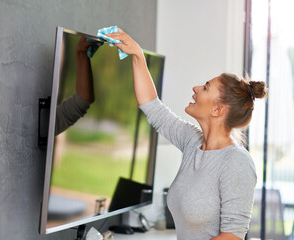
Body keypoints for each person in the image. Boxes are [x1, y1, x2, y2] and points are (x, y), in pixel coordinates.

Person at [105, 28, 268, 240]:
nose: (196, 88)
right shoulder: (193, 142)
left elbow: (232, 236)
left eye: (206, 87)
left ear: (218, 110)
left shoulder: (237, 162)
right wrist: (137, 55)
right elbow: (153, 107)